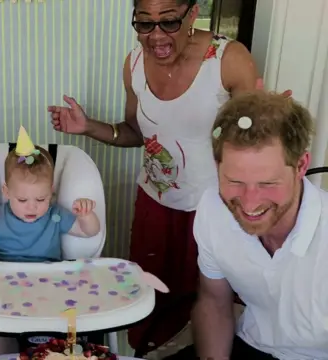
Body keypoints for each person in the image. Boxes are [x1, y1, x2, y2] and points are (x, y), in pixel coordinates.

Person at [47, 0, 261, 349]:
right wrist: (88, 127)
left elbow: (253, 143)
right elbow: (136, 133)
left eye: (169, 22)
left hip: (214, 210)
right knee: (151, 306)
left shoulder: (229, 60)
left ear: (192, 14)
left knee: (212, 307)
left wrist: (268, 124)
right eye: (144, 23)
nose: (156, 36)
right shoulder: (133, 64)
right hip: (155, 206)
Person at [167, 91, 327, 360]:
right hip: (252, 345)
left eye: (267, 183)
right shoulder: (213, 207)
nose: (250, 203)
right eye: (235, 181)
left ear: (300, 166)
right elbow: (214, 302)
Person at [0, 127, 101, 356]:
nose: (32, 206)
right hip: (3, 288)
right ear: (6, 192)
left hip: (48, 287)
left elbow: (89, 232)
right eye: (23, 199)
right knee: (1, 335)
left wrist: (86, 215)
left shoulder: (55, 216)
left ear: (51, 192)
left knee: (57, 338)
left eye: (41, 198)